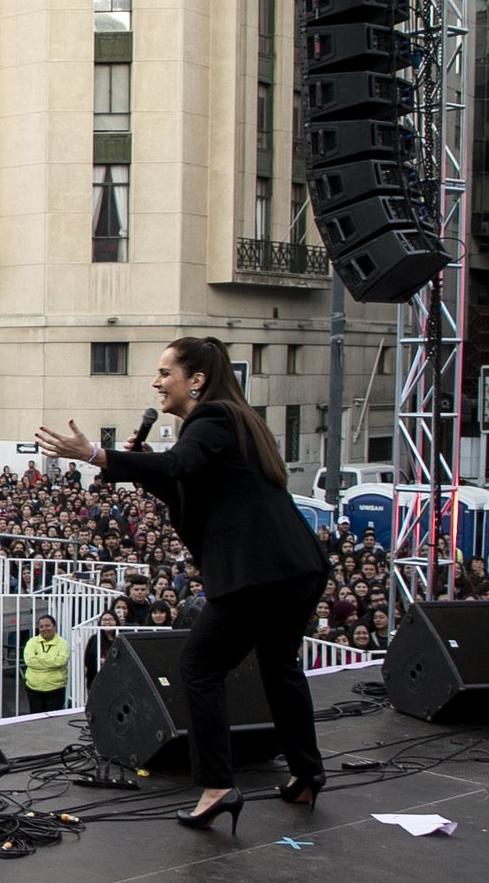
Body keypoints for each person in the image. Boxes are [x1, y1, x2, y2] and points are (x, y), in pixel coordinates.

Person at [37, 335, 328, 833]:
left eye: (165, 372)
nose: (156, 382)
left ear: (196, 380)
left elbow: (179, 467)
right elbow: (185, 483)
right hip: (296, 566)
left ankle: (217, 785)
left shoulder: (211, 419)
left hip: (255, 574)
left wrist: (97, 455)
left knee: (199, 667)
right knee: (279, 666)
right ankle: (306, 772)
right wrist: (141, 466)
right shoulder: (239, 420)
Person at [21, 615, 68, 713]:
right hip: (33, 689)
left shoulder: (63, 643)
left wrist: (40, 657)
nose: (44, 629)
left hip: (55, 689)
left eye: (48, 625)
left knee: (54, 722)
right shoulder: (32, 642)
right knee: (36, 721)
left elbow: (61, 661)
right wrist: (50, 662)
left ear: (54, 627)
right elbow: (29, 661)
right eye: (41, 626)